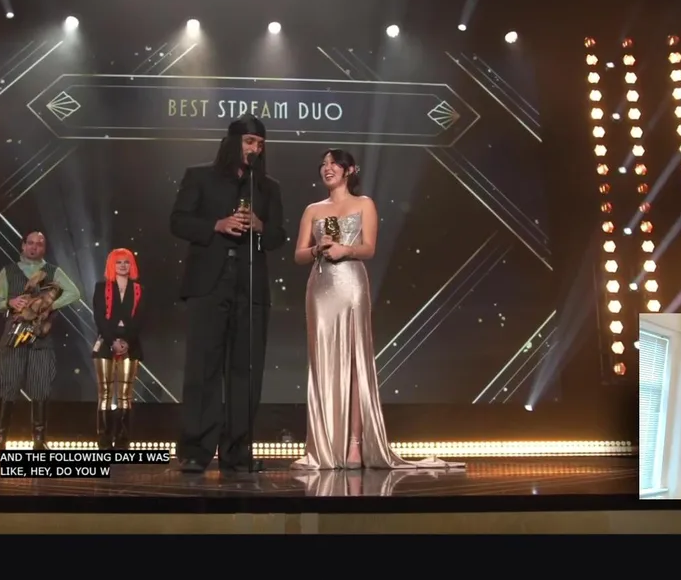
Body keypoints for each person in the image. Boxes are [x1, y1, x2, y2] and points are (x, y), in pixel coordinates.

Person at [290, 149, 463, 471]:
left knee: (355, 362)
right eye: (323, 164)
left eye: (334, 164)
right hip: (321, 287)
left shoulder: (364, 203)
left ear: (349, 170)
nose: (327, 169)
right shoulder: (313, 209)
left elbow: (369, 248)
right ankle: (323, 446)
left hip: (351, 283)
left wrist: (345, 249)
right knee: (323, 360)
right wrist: (317, 249)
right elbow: (299, 254)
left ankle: (355, 445)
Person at [169, 114, 287, 473]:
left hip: (250, 285)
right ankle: (196, 450)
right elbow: (178, 221)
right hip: (209, 283)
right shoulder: (200, 176)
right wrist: (217, 225)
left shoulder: (267, 187)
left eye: (260, 144)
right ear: (233, 142)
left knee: (245, 370)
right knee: (203, 367)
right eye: (249, 142)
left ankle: (237, 450)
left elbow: (278, 236)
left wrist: (261, 226)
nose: (255, 149)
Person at [0, 230, 81, 458]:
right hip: (13, 335)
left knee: (40, 386)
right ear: (23, 245)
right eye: (31, 243)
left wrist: (48, 305)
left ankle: (39, 442)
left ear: (44, 248)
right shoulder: (8, 271)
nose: (35, 247)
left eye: (40, 244)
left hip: (40, 335)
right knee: (7, 385)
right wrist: (10, 302)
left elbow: (74, 293)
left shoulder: (53, 271)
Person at [91, 247, 146, 449]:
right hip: (106, 342)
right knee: (104, 393)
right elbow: (99, 317)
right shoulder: (101, 287)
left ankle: (123, 440)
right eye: (119, 262)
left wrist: (126, 342)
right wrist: (112, 340)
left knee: (125, 394)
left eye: (126, 262)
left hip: (131, 343)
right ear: (111, 265)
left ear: (132, 265)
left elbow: (140, 318)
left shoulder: (139, 289)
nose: (123, 266)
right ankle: (104, 439)